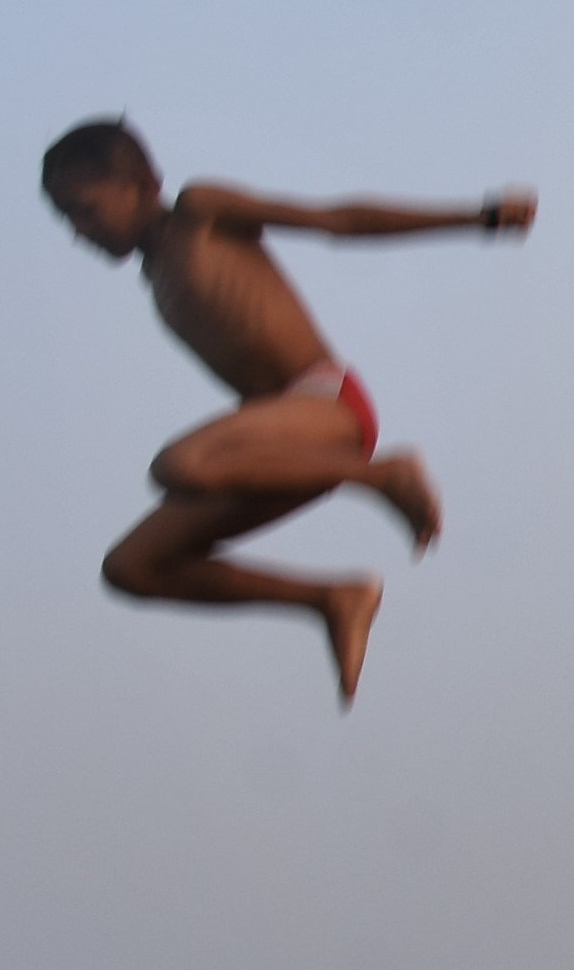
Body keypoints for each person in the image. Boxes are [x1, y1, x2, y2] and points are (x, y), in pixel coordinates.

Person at [39, 118, 532, 707]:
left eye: (87, 211)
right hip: (274, 455)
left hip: (325, 405)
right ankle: (332, 598)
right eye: (67, 218)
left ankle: (381, 476)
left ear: (145, 183)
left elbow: (337, 222)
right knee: (130, 568)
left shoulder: (199, 213)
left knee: (178, 465)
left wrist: (479, 217)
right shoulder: (156, 275)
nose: (79, 232)